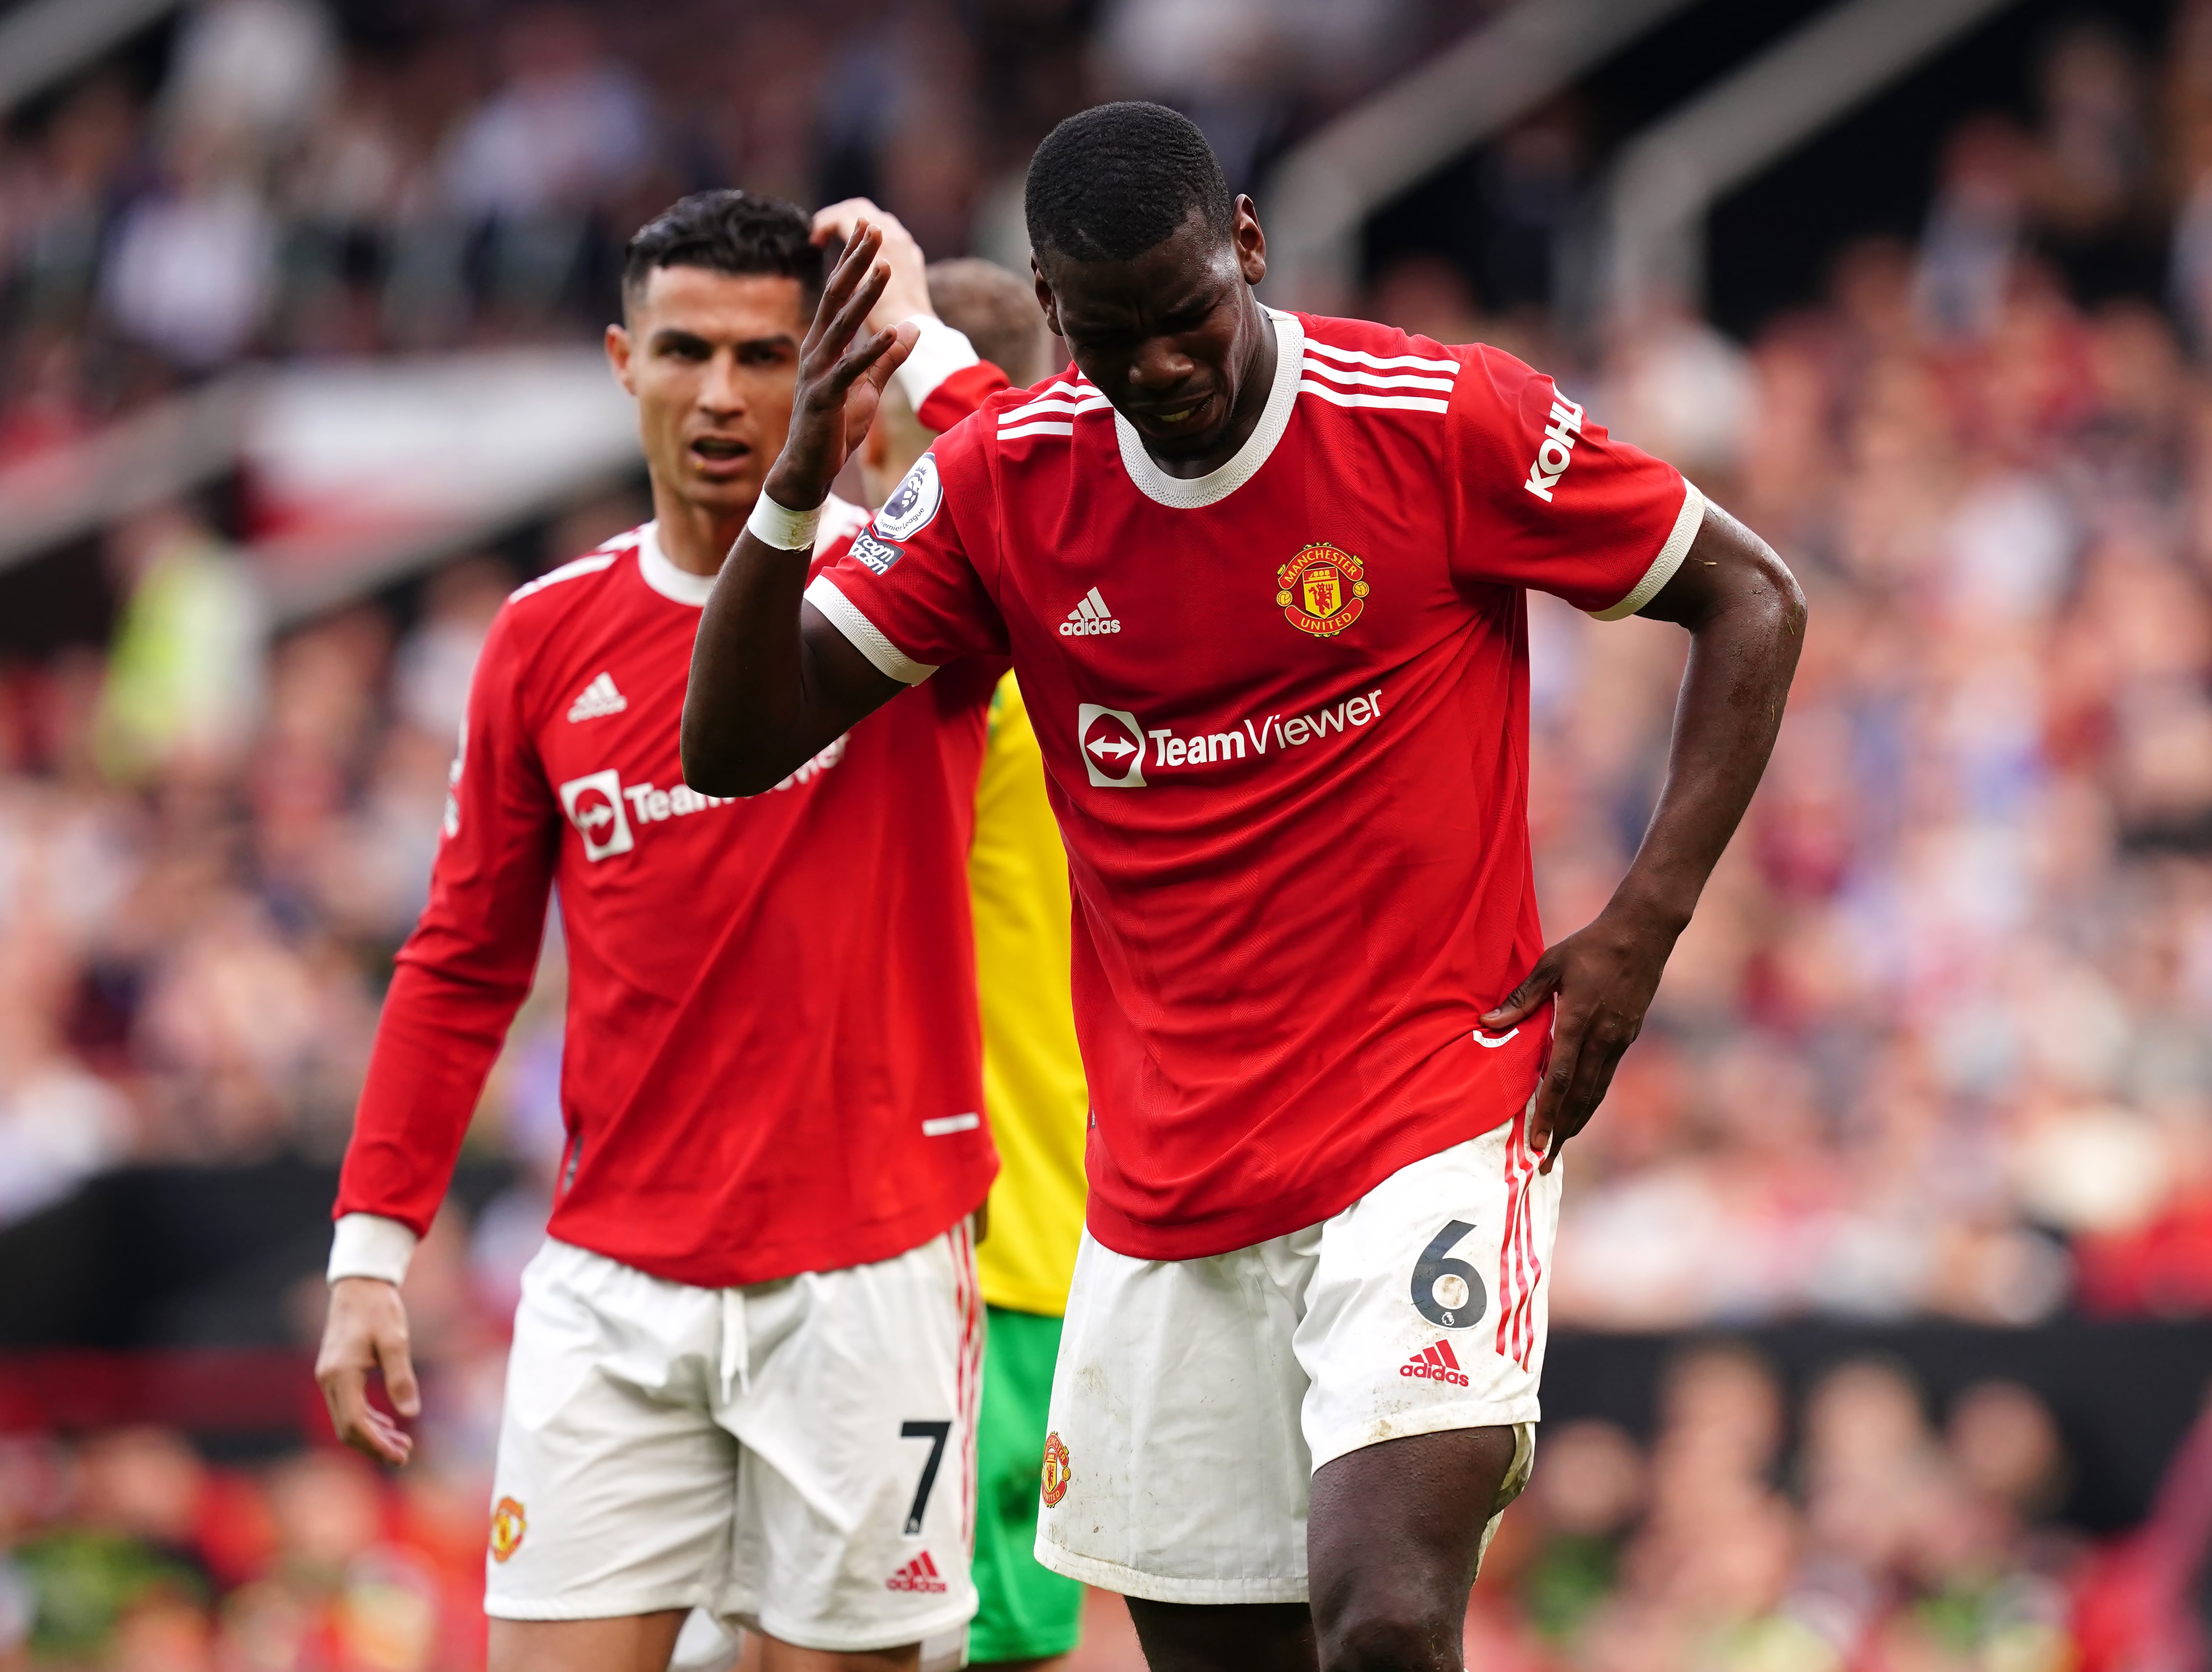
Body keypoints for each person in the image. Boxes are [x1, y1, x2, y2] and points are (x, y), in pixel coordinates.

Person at [680, 103, 1806, 1672]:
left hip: (1430, 1111)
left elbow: (1751, 595)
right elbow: (730, 742)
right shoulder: (1007, 483)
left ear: (1252, 250)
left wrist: (1641, 929)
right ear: (1052, 308)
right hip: (1161, 1188)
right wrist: (802, 470)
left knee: (1387, 1623)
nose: (1158, 370)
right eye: (1111, 336)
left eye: (1190, 315)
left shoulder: (1435, 417)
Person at [313, 189, 1012, 1672]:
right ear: (621, 360)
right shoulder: (542, 635)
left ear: (830, 373)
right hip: (612, 1283)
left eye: (767, 358)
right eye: (686, 350)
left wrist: (927, 334)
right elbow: (461, 962)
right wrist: (371, 1250)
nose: (721, 394)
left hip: (871, 1270)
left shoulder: (910, 590)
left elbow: (1078, 510)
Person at [846, 239, 1087, 1671]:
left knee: (975, 1640)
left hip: (976, 1228)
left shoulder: (964, 643)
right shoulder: (1090, 617)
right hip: (1038, 1207)